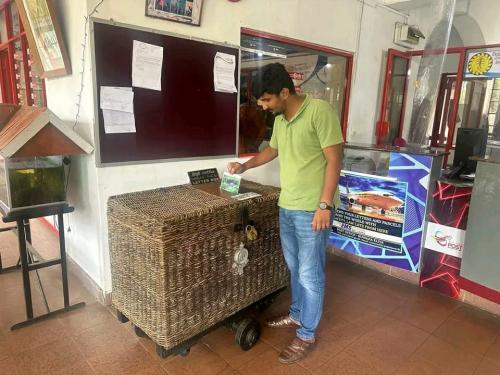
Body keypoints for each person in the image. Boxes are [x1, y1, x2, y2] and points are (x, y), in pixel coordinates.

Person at [227, 63, 343, 364]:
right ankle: (296, 314)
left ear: (283, 92)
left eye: (266, 100)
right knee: (294, 265)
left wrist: (324, 205)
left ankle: (306, 333)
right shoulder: (280, 120)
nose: (263, 107)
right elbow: (272, 151)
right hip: (287, 205)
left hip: (313, 209)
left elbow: (334, 160)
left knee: (310, 271)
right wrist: (245, 166)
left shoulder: (319, 112)